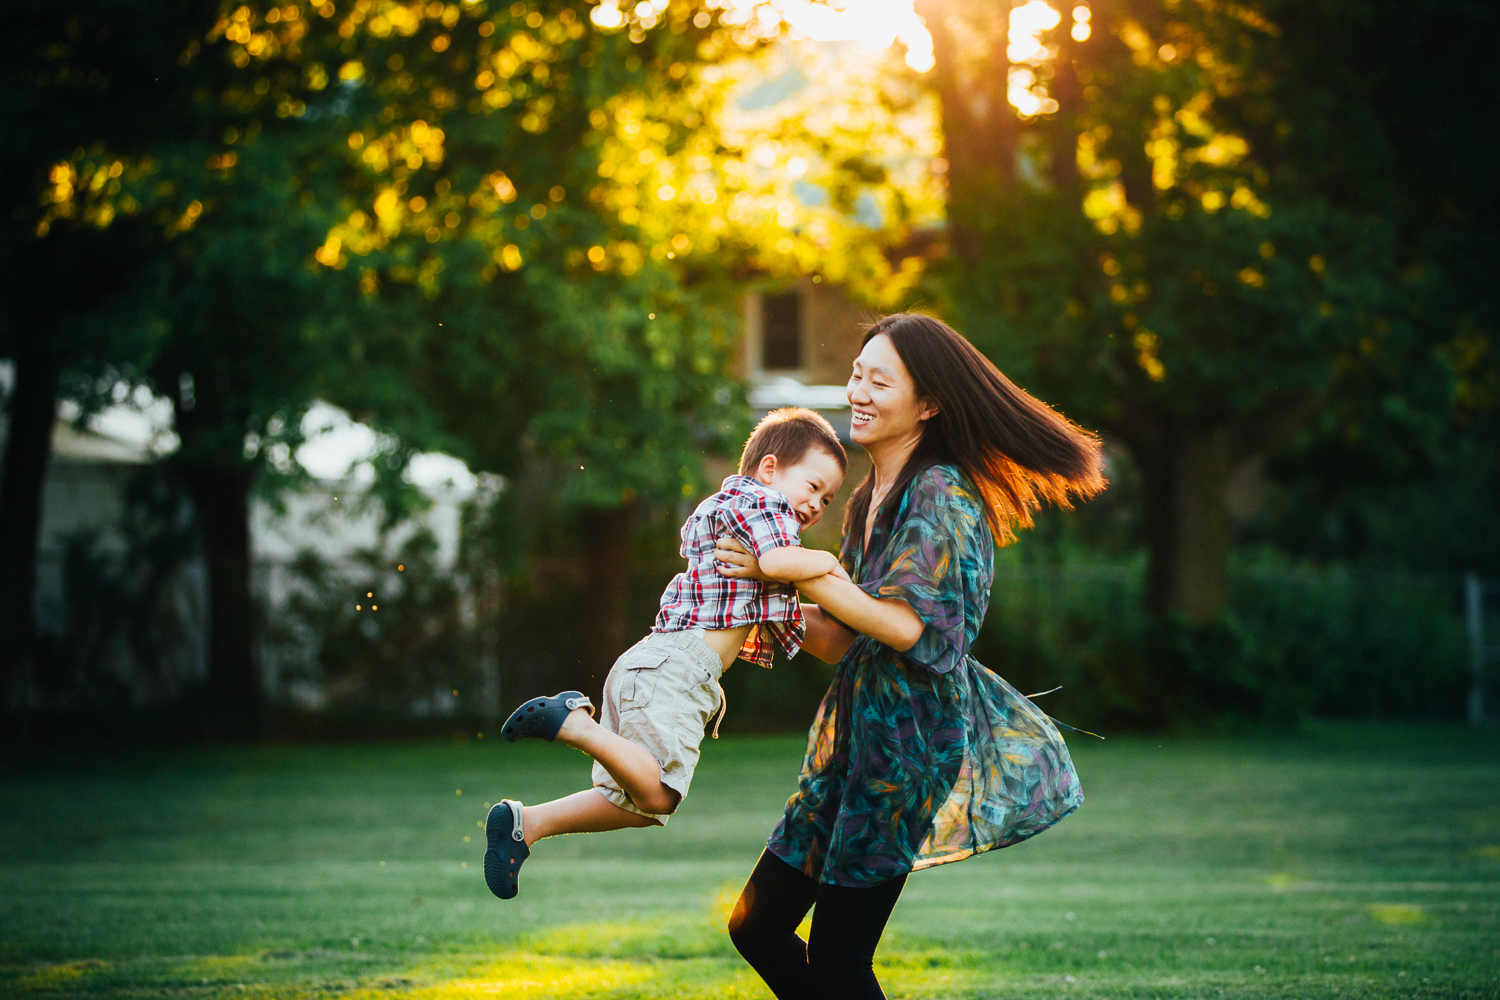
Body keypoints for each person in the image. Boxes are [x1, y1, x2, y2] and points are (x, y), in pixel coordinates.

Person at [716, 314, 1106, 1000]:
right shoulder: (867, 497)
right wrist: (740, 604)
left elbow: (904, 626)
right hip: (855, 740)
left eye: (879, 381)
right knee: (757, 926)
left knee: (840, 960)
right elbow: (841, 634)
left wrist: (788, 569)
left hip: (908, 746)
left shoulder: (941, 494)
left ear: (927, 404)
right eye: (857, 375)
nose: (858, 392)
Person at [482, 407, 850, 900]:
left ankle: (526, 824)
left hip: (655, 665)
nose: (817, 504)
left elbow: (781, 590)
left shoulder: (734, 506)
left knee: (636, 804)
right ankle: (575, 724)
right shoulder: (765, 508)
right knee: (659, 794)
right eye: (813, 486)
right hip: (675, 668)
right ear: (769, 469)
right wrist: (828, 561)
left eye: (827, 499)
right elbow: (780, 561)